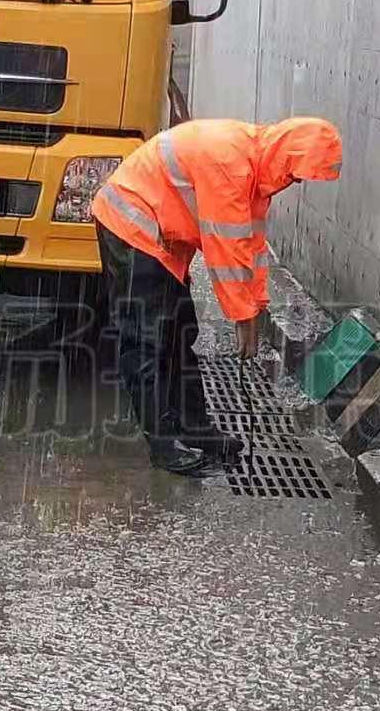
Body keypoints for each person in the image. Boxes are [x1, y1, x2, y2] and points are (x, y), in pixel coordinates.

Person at [92, 117, 343, 477]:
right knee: (146, 340)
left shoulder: (254, 175)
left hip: (158, 238)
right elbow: (224, 251)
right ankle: (162, 444)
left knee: (179, 333)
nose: (296, 182)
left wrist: (256, 309)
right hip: (131, 225)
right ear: (287, 158)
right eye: (297, 174)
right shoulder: (230, 165)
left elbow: (250, 251)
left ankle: (195, 428)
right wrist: (244, 321)